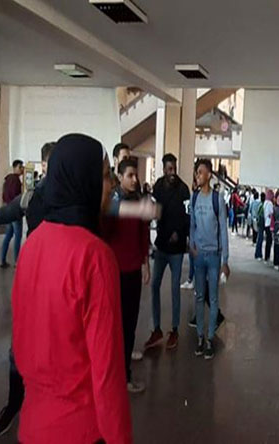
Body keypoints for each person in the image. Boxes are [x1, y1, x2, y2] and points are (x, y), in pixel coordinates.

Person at [12, 134, 132, 444]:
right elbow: (107, 373)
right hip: (81, 428)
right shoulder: (94, 256)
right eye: (105, 175)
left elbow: (21, 339)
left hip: (33, 424)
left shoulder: (32, 245)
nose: (113, 184)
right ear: (84, 180)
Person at [101, 159, 150, 394]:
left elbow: (143, 235)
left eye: (136, 175)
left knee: (129, 324)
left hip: (132, 271)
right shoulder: (110, 203)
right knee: (113, 326)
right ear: (119, 177)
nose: (134, 179)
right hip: (113, 272)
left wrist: (145, 264)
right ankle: (110, 374)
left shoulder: (139, 201)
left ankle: (125, 375)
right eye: (130, 175)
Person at [145, 153, 190, 352]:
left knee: (174, 288)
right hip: (162, 247)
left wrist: (178, 234)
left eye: (174, 169)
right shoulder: (158, 187)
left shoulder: (183, 189)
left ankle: (174, 329)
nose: (172, 173)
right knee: (154, 285)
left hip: (177, 249)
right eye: (169, 169)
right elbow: (154, 211)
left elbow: (187, 218)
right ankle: (156, 328)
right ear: (164, 169)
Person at [189, 158, 230, 359]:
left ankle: (210, 338)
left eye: (201, 172)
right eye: (197, 172)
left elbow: (223, 229)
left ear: (209, 175)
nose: (198, 175)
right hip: (199, 256)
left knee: (213, 299)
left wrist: (225, 260)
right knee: (199, 296)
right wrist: (192, 246)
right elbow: (192, 225)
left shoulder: (217, 199)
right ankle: (199, 337)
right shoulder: (194, 198)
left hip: (213, 256)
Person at [0, 159, 24, 269]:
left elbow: (4, 195)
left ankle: (3, 260)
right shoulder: (16, 181)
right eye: (20, 167)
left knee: (8, 235)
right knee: (18, 236)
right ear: (15, 167)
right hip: (14, 210)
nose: (22, 169)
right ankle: (17, 261)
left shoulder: (7, 179)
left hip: (7, 209)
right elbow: (16, 197)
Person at [262, 188, 274, 263]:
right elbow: (272, 213)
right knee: (269, 241)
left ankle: (266, 256)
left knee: (267, 241)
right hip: (269, 224)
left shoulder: (265, 202)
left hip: (265, 223)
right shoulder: (270, 203)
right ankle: (267, 256)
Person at [253, 192, 266, 259]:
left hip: (259, 222)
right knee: (260, 239)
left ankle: (258, 254)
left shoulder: (260, 204)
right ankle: (258, 254)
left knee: (259, 239)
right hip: (262, 222)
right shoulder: (263, 205)